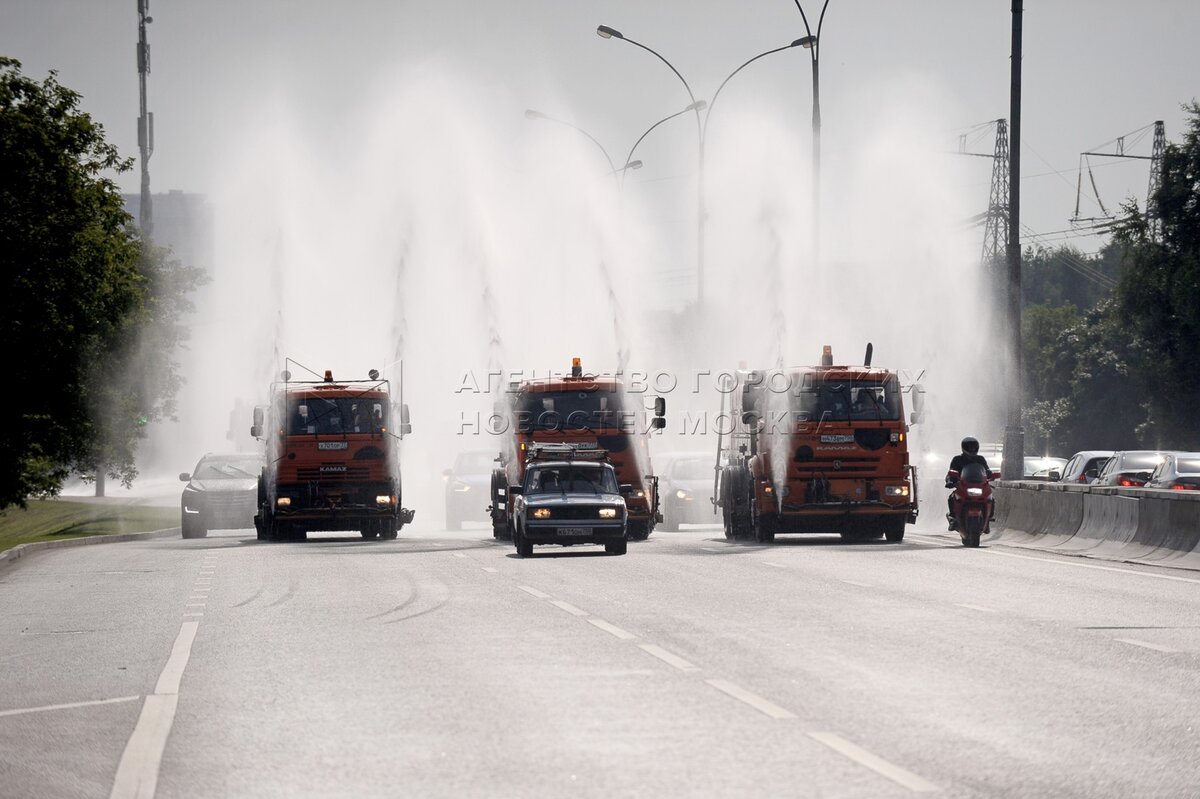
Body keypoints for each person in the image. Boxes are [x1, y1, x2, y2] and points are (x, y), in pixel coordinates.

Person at [946, 437, 992, 530]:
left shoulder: (980, 459)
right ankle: (953, 519)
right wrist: (950, 481)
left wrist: (990, 474)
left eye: (974, 447)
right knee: (952, 498)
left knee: (990, 498)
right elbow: (951, 472)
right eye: (970, 447)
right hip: (963, 486)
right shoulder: (957, 459)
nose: (972, 449)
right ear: (964, 448)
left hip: (979, 485)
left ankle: (988, 519)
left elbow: (986, 470)